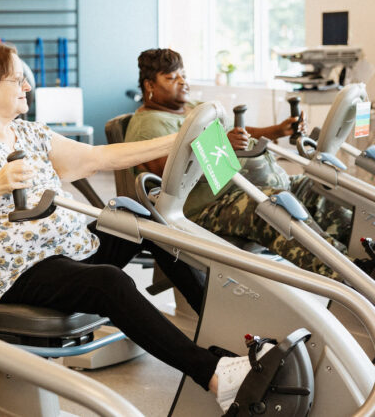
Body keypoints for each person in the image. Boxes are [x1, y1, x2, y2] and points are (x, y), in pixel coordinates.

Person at [0, 41, 264, 412]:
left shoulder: (28, 133)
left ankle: (231, 335)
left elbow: (99, 156)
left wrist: (182, 140)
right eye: (17, 80)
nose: (27, 88)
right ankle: (215, 375)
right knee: (109, 283)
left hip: (66, 250)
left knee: (141, 220)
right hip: (15, 272)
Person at [125, 48, 357, 280]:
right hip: (205, 208)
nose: (183, 82)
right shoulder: (147, 126)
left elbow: (236, 133)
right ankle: (345, 275)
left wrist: (278, 130)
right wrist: (219, 146)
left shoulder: (193, 107)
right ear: (150, 86)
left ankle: (359, 258)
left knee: (315, 187)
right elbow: (171, 177)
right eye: (171, 78)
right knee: (274, 208)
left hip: (248, 187)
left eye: (183, 75)